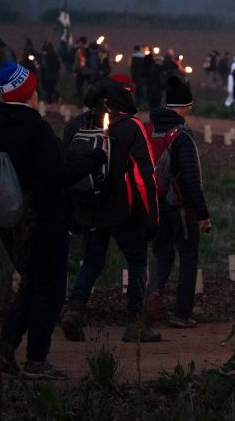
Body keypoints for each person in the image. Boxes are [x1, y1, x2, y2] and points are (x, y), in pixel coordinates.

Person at [0, 61, 101, 380]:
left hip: (10, 224)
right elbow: (55, 177)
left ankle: (6, 346)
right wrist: (92, 161)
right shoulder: (37, 129)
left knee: (33, 283)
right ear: (29, 91)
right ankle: (36, 360)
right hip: (44, 220)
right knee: (50, 290)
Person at [60, 77, 160, 343]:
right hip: (124, 212)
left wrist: (71, 211)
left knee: (91, 263)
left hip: (88, 209)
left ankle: (74, 311)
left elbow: (64, 172)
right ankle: (135, 323)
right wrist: (152, 216)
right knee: (138, 264)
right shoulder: (132, 127)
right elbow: (144, 177)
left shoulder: (74, 126)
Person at [146, 77, 212, 328]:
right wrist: (203, 214)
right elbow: (190, 180)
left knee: (162, 255)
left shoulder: (148, 129)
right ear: (183, 107)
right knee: (188, 256)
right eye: (189, 107)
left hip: (154, 204)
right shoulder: (182, 137)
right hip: (180, 208)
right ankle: (182, 314)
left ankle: (152, 295)